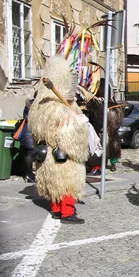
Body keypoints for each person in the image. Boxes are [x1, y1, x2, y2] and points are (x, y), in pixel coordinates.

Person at [28, 55, 89, 224]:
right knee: (67, 182)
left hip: (45, 154)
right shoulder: (60, 108)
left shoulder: (39, 105)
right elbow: (68, 135)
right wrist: (80, 124)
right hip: (61, 155)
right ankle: (67, 212)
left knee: (53, 183)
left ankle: (55, 209)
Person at [20, 94, 36, 183]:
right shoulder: (35, 106)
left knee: (27, 154)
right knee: (30, 154)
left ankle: (27, 174)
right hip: (30, 133)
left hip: (26, 131)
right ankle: (29, 175)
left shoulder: (28, 105)